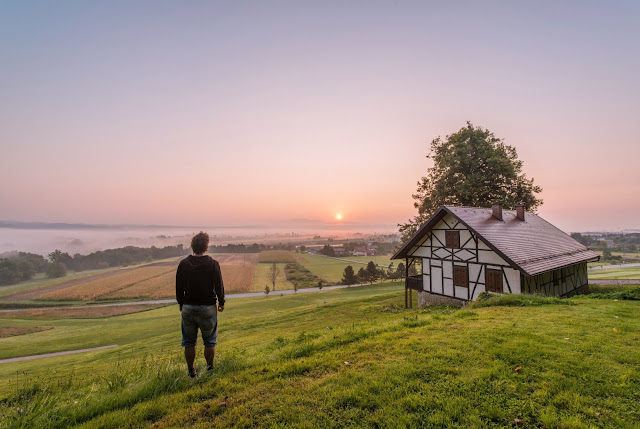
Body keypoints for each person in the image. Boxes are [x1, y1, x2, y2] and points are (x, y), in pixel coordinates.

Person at [176, 231, 225, 378]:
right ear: (207, 246)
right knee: (210, 341)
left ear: (192, 246)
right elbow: (219, 286)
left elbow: (179, 287)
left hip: (188, 307)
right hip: (208, 308)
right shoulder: (213, 264)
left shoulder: (183, 264)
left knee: (189, 342)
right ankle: (210, 369)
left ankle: (192, 371)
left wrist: (181, 303)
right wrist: (221, 302)